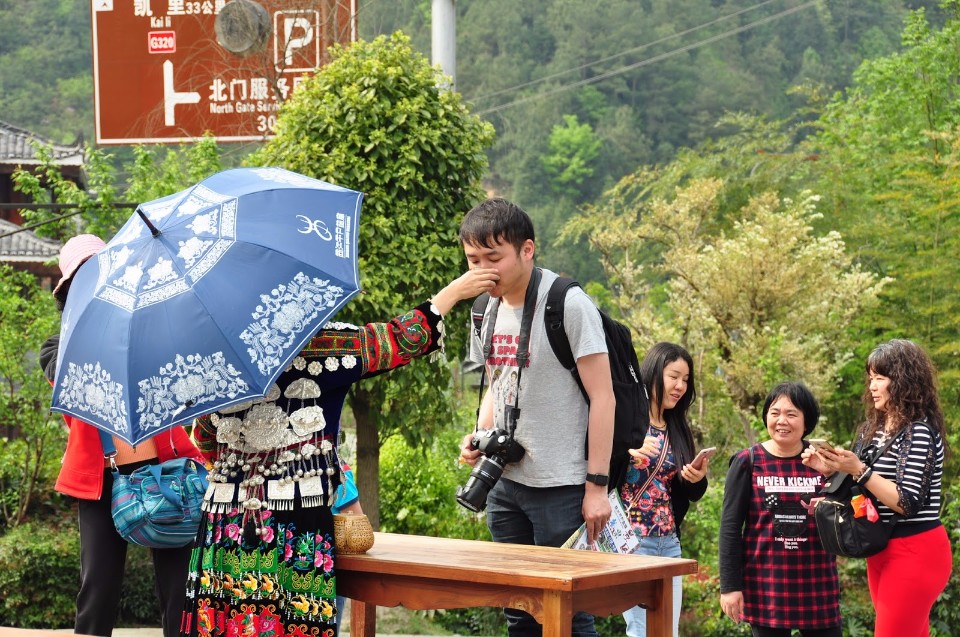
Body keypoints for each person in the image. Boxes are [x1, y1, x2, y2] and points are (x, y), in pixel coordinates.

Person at [180, 268, 495, 637]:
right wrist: (452, 292)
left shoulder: (212, 359)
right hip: (294, 515)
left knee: (227, 623)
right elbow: (396, 340)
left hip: (226, 517)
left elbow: (204, 438)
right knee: (295, 622)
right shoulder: (319, 343)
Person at [457, 197, 615, 637]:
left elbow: (604, 398)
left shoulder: (567, 303)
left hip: (562, 487)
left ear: (527, 250)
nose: (483, 269)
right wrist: (478, 435)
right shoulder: (482, 309)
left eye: (494, 257)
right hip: (505, 482)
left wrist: (596, 487)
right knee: (517, 610)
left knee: (569, 612)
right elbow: (496, 382)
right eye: (473, 259)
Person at [38, 234, 206, 637]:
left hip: (167, 473)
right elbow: (71, 384)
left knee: (180, 590)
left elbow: (184, 389)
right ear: (70, 292)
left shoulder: (153, 331)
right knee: (98, 588)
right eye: (84, 278)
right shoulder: (58, 346)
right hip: (101, 477)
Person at [802, 339, 951, 637]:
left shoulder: (918, 431)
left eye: (880, 378)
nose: (872, 386)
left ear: (904, 381)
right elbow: (864, 489)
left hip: (916, 549)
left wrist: (858, 468)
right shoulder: (873, 430)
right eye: (871, 378)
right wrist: (832, 469)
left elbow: (907, 502)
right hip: (881, 547)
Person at [719, 381, 841, 637]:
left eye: (791, 414)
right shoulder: (747, 461)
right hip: (767, 586)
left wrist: (833, 475)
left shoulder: (823, 459)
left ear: (807, 421)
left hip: (818, 585)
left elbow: (849, 510)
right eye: (775, 413)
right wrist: (730, 587)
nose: (781, 421)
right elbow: (730, 527)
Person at [619, 342, 708, 637]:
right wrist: (628, 453)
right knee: (641, 631)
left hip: (668, 543)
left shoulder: (677, 425)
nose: (680, 385)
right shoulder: (628, 418)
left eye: (685, 379)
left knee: (667, 631)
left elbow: (686, 492)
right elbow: (599, 465)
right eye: (674, 376)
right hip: (632, 543)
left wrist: (697, 479)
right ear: (655, 371)